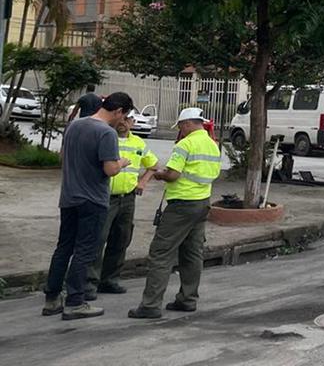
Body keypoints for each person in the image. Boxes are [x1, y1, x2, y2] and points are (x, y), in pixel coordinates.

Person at [42, 92, 134, 320]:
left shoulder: (74, 126)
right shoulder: (106, 133)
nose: (123, 122)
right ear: (119, 110)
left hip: (69, 197)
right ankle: (75, 302)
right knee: (85, 251)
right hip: (92, 201)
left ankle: (52, 299)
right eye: (124, 116)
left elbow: (63, 157)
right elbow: (110, 169)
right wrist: (122, 162)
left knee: (63, 247)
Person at [128, 108, 220, 319]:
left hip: (181, 205)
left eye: (180, 126)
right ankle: (188, 299)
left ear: (187, 124)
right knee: (192, 253)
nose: (180, 130)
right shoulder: (213, 145)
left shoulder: (185, 144)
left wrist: (159, 175)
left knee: (161, 252)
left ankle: (150, 305)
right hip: (202, 203)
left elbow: (173, 175)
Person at [85, 112, 158, 299]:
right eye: (122, 119)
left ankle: (109, 280)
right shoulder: (107, 137)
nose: (124, 123)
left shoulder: (138, 143)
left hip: (128, 198)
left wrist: (143, 182)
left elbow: (154, 165)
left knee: (121, 239)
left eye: (128, 120)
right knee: (98, 238)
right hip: (106, 198)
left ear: (133, 122)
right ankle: (89, 284)